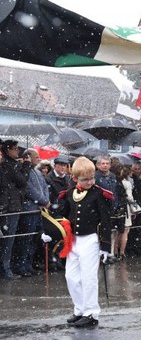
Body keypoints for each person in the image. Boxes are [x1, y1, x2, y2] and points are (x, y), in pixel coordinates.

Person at [59, 157, 113, 328]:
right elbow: (62, 216)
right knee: (71, 277)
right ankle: (80, 308)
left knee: (88, 278)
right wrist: (53, 231)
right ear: (75, 178)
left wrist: (105, 246)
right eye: (85, 179)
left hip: (91, 240)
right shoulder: (68, 194)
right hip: (74, 241)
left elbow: (106, 221)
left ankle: (91, 312)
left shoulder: (99, 194)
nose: (90, 182)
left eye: (92, 178)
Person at [14, 149, 51, 277]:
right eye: (36, 157)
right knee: (25, 239)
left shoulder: (37, 172)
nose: (39, 159)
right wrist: (42, 200)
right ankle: (20, 265)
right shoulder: (24, 172)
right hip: (28, 210)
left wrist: (45, 201)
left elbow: (45, 187)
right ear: (29, 157)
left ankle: (29, 264)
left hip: (38, 210)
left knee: (34, 239)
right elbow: (29, 190)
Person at [0, 140, 31, 280]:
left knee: (9, 239)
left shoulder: (10, 164)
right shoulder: (7, 165)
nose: (18, 151)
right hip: (10, 206)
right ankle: (5, 269)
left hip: (11, 204)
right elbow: (22, 181)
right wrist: (26, 165)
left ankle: (6, 267)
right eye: (15, 149)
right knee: (8, 239)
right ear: (8, 151)